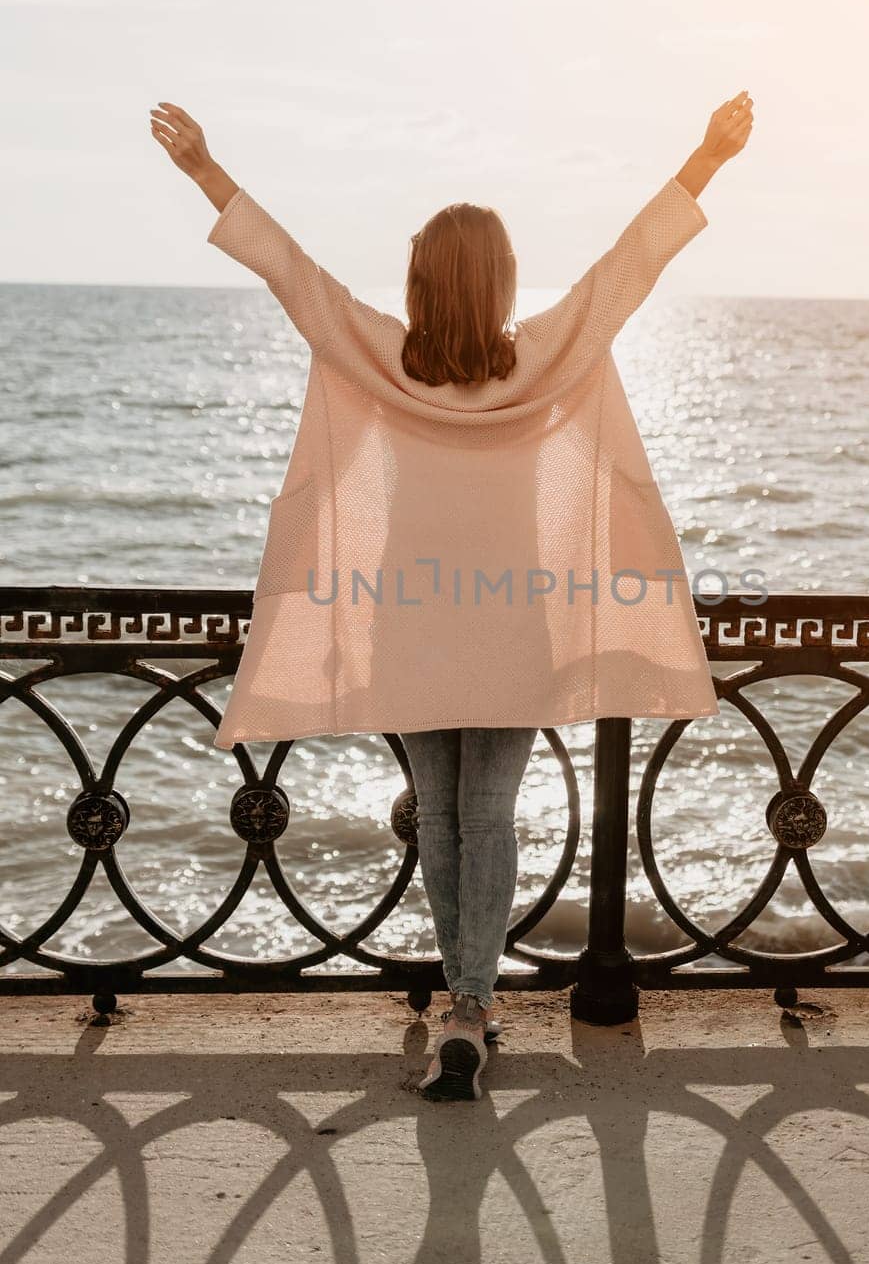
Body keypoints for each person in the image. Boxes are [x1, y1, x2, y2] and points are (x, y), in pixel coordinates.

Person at [149, 88, 755, 1101]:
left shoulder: (382, 355)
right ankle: (472, 1003)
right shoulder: (544, 354)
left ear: (421, 283)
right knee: (489, 810)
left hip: (409, 618)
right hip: (511, 615)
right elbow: (628, 268)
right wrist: (706, 159)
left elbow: (289, 272)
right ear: (503, 281)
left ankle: (459, 1004)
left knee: (439, 813)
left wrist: (205, 168)